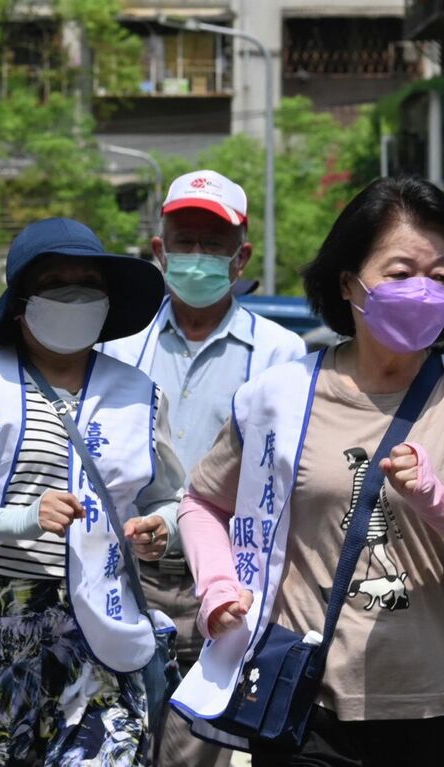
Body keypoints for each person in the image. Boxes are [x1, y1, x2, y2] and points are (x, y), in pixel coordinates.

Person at [170, 176, 444, 765]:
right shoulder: (280, 395)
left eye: (442, 276)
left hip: (443, 706)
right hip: (307, 702)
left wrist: (440, 505)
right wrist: (219, 587)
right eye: (401, 273)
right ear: (349, 281)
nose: (424, 291)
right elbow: (201, 501)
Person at [0, 218, 186, 765]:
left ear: (109, 300)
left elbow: (169, 499)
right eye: (55, 281)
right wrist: (17, 520)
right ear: (21, 302)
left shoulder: (140, 395)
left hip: (102, 628)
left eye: (88, 282)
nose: (74, 294)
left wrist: (162, 528)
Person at [97, 170, 305, 767]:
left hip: (222, 588)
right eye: (183, 241)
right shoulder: (120, 348)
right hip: (124, 579)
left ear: (240, 259)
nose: (196, 257)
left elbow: (280, 481)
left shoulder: (280, 355)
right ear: (158, 252)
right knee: (118, 742)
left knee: (193, 750)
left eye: (212, 245)